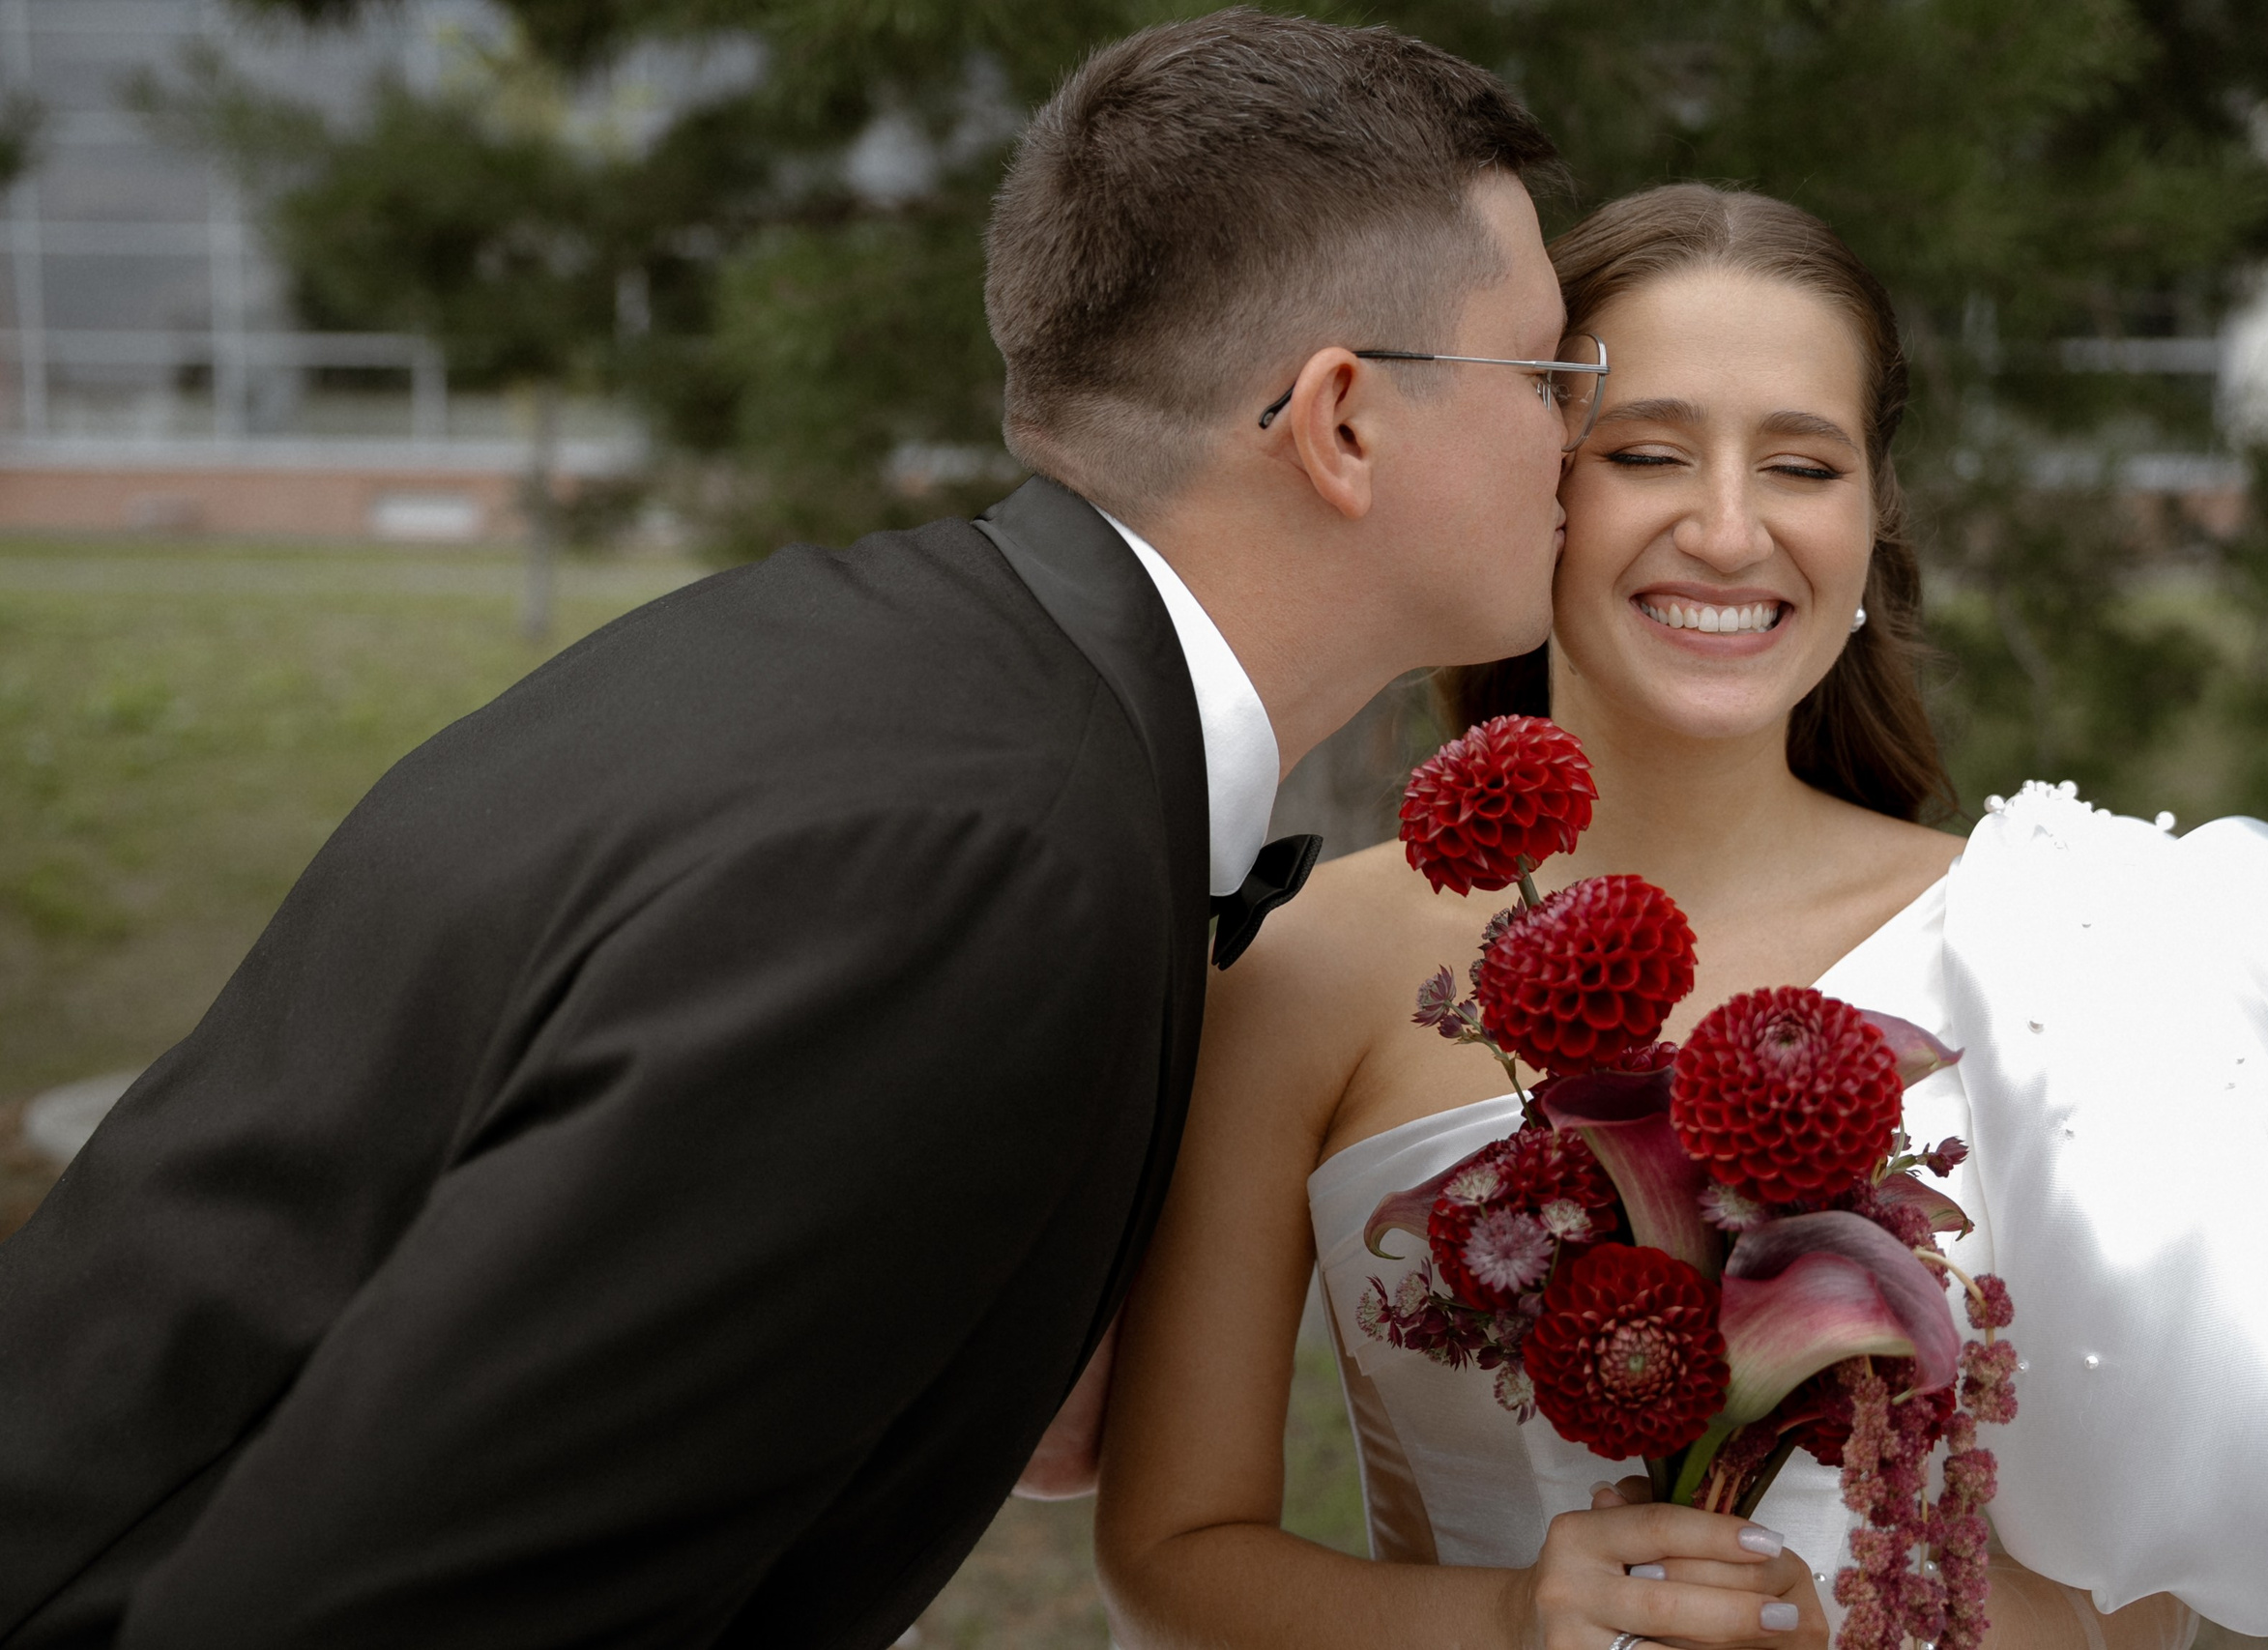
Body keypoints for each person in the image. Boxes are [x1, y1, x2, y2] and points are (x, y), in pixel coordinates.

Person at [0, 14, 1601, 1647]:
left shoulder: (876, 678)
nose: (1582, 434)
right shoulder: (974, 869)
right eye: (1549, 370)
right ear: (1343, 422)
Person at [1096, 184, 2268, 1650]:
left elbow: (2142, 1581)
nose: (1730, 528)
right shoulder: (1308, 970)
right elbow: (1174, 1555)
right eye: (1645, 452)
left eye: (1804, 466)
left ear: (1874, 521)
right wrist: (1504, 1618)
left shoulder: (2074, 948)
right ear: (1535, 492)